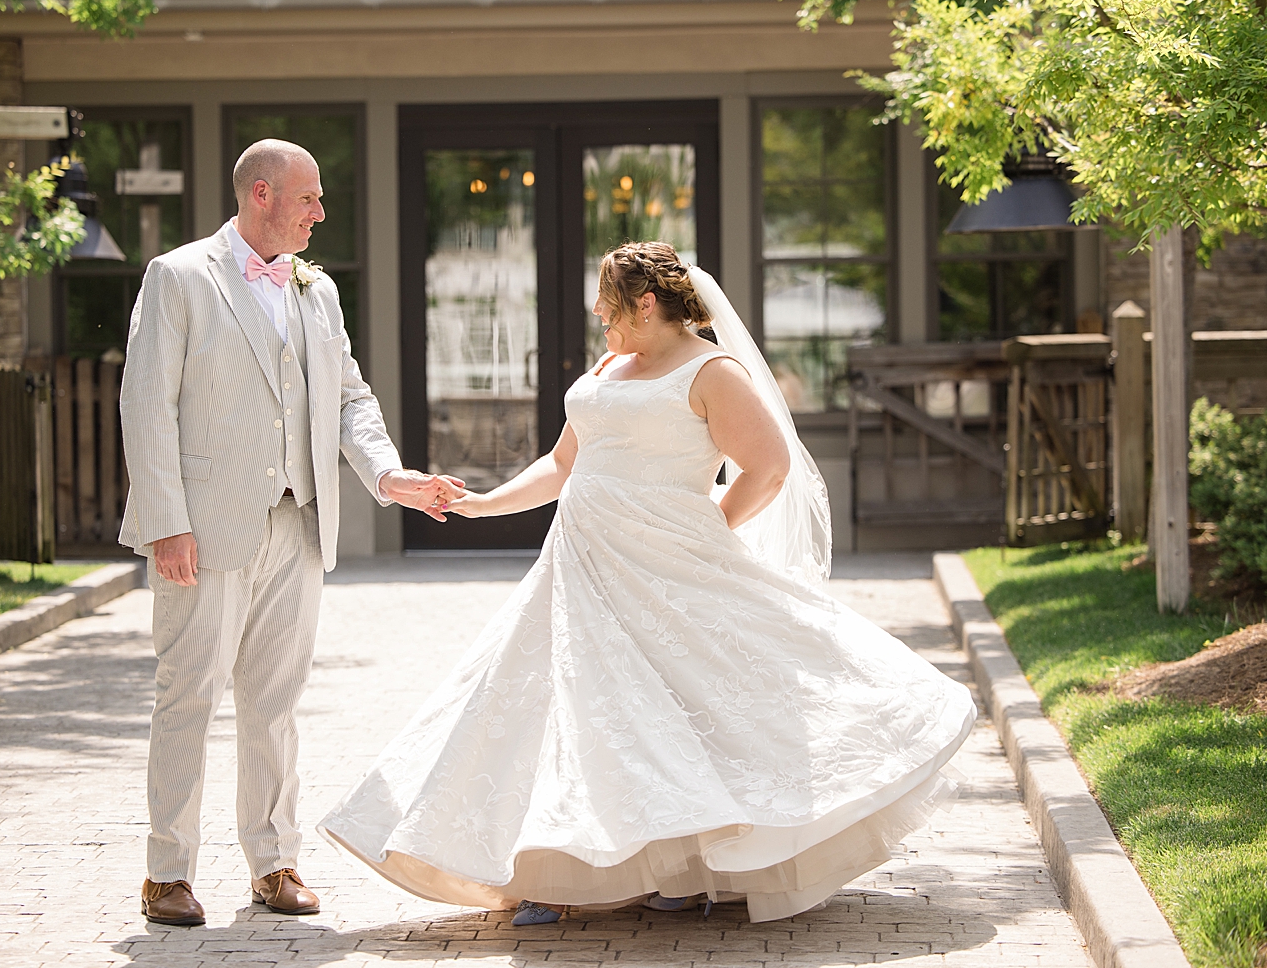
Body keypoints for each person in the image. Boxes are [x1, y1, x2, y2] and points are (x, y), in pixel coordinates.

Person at [319, 241, 976, 924]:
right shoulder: (610, 363)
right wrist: (483, 503)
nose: (599, 322)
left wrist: (710, 524)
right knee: (576, 708)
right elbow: (561, 462)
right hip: (580, 565)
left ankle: (683, 868)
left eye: (607, 310)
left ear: (647, 303)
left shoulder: (711, 371)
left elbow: (770, 466)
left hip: (669, 567)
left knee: (682, 704)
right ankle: (557, 868)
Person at [119, 139, 463, 927]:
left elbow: (350, 398)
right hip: (201, 531)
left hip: (296, 523)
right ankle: (166, 872)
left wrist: (389, 476)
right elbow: (146, 408)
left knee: (275, 701)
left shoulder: (319, 291)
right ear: (262, 194)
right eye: (309, 199)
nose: (320, 212)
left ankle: (273, 862)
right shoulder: (178, 277)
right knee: (189, 696)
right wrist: (166, 523)